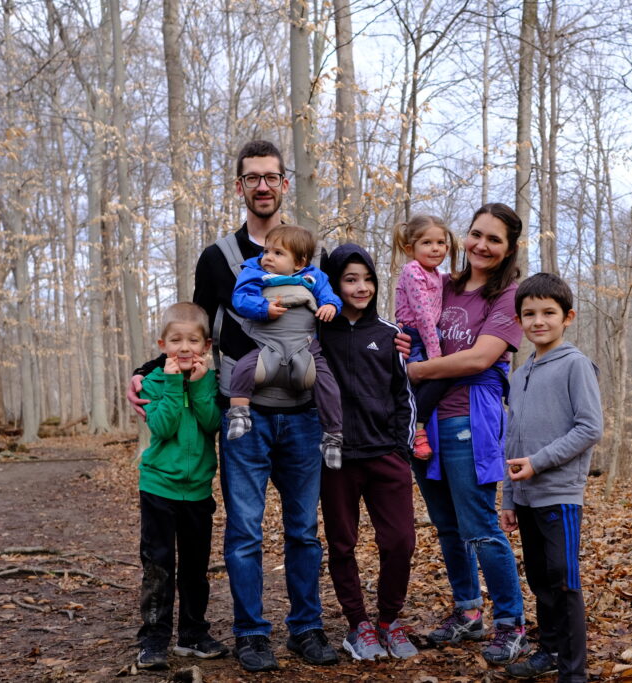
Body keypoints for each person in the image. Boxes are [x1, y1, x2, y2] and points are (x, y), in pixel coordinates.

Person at [128, 140, 340, 673]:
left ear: (284, 184)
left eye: (271, 177)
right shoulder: (219, 257)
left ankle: (307, 628)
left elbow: (342, 321)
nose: (263, 186)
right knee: (244, 530)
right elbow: (193, 332)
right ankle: (250, 634)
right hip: (245, 412)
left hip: (305, 413)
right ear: (240, 186)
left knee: (302, 530)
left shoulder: (311, 256)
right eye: (253, 178)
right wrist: (148, 370)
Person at [406, 202, 529, 666]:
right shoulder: (444, 285)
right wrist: (404, 345)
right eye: (476, 234)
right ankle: (467, 611)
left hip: (468, 420)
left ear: (509, 248)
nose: (480, 245)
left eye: (494, 239)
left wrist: (417, 370)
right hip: (425, 421)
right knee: (448, 527)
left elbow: (479, 359)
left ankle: (511, 623)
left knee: (479, 527)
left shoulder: (508, 298)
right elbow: (418, 326)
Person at [317, 243, 418, 661]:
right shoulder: (317, 332)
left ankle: (388, 620)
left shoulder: (391, 336)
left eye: (367, 279)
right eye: (350, 279)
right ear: (334, 283)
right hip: (337, 458)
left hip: (385, 455)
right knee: (342, 543)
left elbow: (404, 396)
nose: (361, 287)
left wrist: (402, 450)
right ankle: (358, 625)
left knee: (400, 541)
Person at [499, 273, 603, 682]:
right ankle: (549, 652)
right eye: (529, 314)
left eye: (548, 313)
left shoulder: (576, 365)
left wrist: (539, 463)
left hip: (559, 495)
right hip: (525, 497)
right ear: (519, 319)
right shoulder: (521, 372)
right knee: (541, 581)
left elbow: (589, 428)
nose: (537, 321)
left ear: (568, 317)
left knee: (564, 582)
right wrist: (509, 498)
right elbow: (513, 441)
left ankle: (573, 673)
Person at [134, 303, 228, 670]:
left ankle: (192, 634)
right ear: (163, 344)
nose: (184, 347)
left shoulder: (210, 380)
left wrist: (200, 385)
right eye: (176, 340)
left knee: (195, 565)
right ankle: (154, 638)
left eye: (193, 340)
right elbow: (163, 427)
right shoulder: (154, 382)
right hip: (159, 488)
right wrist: (174, 384)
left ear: (206, 346)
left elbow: (211, 423)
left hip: (198, 491)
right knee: (159, 565)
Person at [225, 224, 345, 470]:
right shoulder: (255, 272)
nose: (268, 257)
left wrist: (331, 306)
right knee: (243, 368)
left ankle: (333, 435)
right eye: (267, 250)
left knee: (327, 383)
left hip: (305, 346)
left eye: (278, 253)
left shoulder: (313, 277)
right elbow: (240, 298)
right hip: (268, 345)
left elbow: (330, 296)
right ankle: (239, 413)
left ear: (299, 262)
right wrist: (263, 308)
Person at [392, 214, 457, 460]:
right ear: (410, 248)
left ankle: (416, 427)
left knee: (437, 380)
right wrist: (435, 353)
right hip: (416, 334)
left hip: (428, 334)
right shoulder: (412, 270)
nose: (435, 248)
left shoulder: (435, 273)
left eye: (441, 243)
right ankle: (416, 430)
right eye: (427, 243)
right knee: (433, 376)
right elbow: (423, 316)